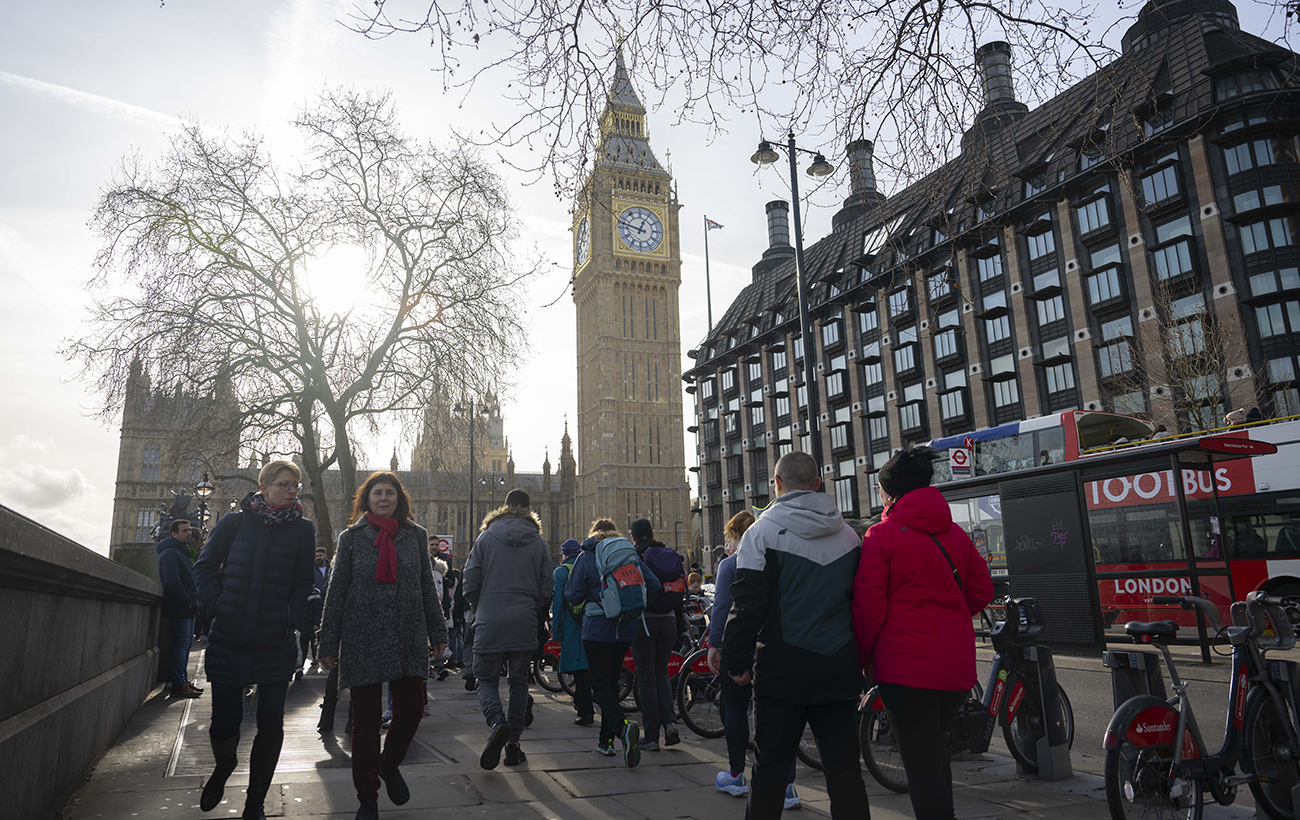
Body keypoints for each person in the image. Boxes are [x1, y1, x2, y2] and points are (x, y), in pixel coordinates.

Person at [723, 451, 870, 820]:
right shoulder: (849, 537)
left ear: (777, 483)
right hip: (837, 668)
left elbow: (746, 605)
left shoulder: (761, 533)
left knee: (770, 774)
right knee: (845, 774)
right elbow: (858, 604)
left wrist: (736, 661)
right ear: (818, 484)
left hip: (780, 671)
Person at [853, 445, 995, 820]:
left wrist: (862, 659)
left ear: (890, 493)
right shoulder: (956, 535)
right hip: (955, 667)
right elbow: (982, 590)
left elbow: (868, 608)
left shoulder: (881, 536)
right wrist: (950, 616)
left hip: (905, 667)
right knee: (932, 750)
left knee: (919, 759)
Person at [317, 471, 447, 820]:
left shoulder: (415, 536)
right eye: (378, 493)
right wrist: (328, 641)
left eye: (390, 492)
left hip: (407, 635)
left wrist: (438, 632)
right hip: (362, 637)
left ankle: (388, 765)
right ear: (367, 499)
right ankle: (367, 797)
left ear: (399, 499)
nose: (384, 498)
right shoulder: (351, 538)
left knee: (412, 711)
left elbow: (426, 586)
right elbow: (336, 592)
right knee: (366, 723)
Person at [193, 460, 316, 820]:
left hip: (275, 639)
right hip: (230, 636)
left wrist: (289, 615)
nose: (292, 490)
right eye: (284, 484)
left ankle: (255, 802)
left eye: (295, 485)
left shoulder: (303, 530)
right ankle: (225, 764)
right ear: (263, 487)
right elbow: (203, 568)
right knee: (224, 723)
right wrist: (217, 605)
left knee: (271, 723)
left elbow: (303, 581)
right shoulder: (233, 523)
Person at [711, 509, 804, 807]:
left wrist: (714, 644)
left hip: (740, 644)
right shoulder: (782, 557)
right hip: (777, 644)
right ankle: (787, 786)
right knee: (781, 714)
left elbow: (722, 607)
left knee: (735, 708)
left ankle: (736, 775)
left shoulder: (730, 565)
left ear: (737, 536)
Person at [462, 489, 554, 770]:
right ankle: (513, 745)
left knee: (486, 679)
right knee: (518, 683)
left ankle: (496, 723)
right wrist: (531, 605)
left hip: (489, 617)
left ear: (504, 507)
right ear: (530, 510)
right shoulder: (538, 541)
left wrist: (479, 605)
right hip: (523, 619)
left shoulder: (486, 537)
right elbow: (547, 586)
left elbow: (470, 578)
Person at [565, 519, 661, 768]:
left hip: (596, 630)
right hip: (626, 629)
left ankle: (622, 728)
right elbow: (653, 585)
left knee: (599, 684)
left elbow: (572, 594)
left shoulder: (587, 556)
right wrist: (631, 606)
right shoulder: (628, 555)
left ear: (593, 534)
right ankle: (605, 741)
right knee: (611, 684)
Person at [629, 518, 687, 751]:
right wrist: (680, 626)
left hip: (645, 622)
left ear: (633, 536)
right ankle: (670, 723)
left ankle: (651, 736)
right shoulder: (667, 554)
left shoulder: (635, 557)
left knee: (646, 677)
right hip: (669, 621)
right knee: (661, 673)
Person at [158, 518, 202, 698]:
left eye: (189, 530)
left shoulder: (180, 552)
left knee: (186, 644)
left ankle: (182, 680)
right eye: (184, 530)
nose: (189, 533)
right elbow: (172, 582)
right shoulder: (170, 553)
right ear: (173, 534)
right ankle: (178, 684)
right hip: (180, 607)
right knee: (180, 644)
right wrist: (188, 602)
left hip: (187, 607)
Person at [552, 538, 594, 725]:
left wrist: (556, 631)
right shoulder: (589, 566)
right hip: (592, 621)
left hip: (572, 625)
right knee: (588, 666)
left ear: (565, 554)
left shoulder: (561, 572)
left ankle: (585, 710)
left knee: (579, 670)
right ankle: (584, 704)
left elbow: (558, 605)